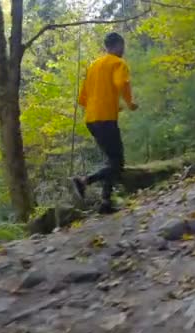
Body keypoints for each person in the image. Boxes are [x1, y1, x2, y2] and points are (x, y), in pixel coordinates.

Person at [71, 32, 138, 214]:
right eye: (123, 46)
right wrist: (130, 104)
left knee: (112, 160)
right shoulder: (118, 63)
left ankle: (105, 203)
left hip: (92, 120)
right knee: (117, 162)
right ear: (118, 45)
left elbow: (84, 99)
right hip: (105, 120)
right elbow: (120, 83)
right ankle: (85, 181)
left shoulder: (94, 66)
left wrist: (112, 107)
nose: (124, 50)